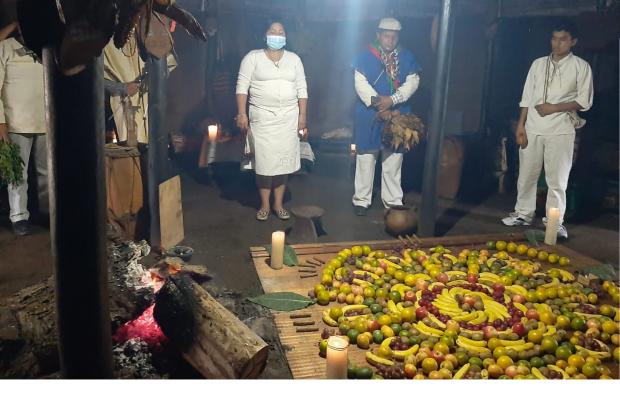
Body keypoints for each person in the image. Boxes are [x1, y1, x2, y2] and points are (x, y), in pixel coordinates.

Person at [502, 20, 593, 239]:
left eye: (563, 39)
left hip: (561, 129)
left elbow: (584, 101)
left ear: (573, 41)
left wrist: (555, 107)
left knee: (557, 179)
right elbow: (527, 97)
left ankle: (555, 221)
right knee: (526, 173)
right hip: (533, 127)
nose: (557, 44)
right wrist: (521, 125)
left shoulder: (581, 66)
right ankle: (523, 213)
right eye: (554, 38)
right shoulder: (538, 64)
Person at [236, 21, 308, 221]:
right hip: (262, 118)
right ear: (264, 35)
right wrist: (242, 113)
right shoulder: (253, 58)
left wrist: (303, 115)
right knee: (265, 163)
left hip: (289, 118)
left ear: (285, 37)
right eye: (272, 31)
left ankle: (278, 203)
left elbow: (302, 88)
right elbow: (242, 86)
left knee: (283, 162)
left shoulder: (294, 59)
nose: (277, 35)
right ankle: (265, 204)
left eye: (281, 32)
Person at [351, 18, 421, 216]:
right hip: (369, 114)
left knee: (394, 158)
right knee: (366, 156)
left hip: (398, 113)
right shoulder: (364, 56)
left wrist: (393, 100)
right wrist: (379, 105)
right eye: (386, 36)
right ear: (378, 35)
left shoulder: (406, 56)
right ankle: (361, 200)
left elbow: (413, 81)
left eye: (394, 37)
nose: (390, 40)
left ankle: (392, 201)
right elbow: (360, 83)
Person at [0, 22, 47, 236]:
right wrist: (1, 123)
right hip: (16, 121)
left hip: (44, 120)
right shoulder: (5, 48)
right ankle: (19, 216)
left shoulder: (45, 50)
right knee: (17, 173)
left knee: (46, 172)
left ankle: (46, 212)